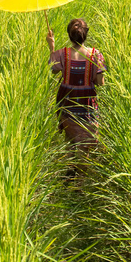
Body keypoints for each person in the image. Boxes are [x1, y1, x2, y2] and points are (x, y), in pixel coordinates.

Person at [46, 17, 106, 163]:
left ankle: (71, 172)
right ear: (86, 34)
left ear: (69, 35)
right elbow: (100, 83)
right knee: (85, 144)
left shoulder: (62, 54)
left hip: (67, 103)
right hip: (86, 105)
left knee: (70, 140)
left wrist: (52, 47)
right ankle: (80, 176)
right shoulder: (95, 55)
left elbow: (53, 70)